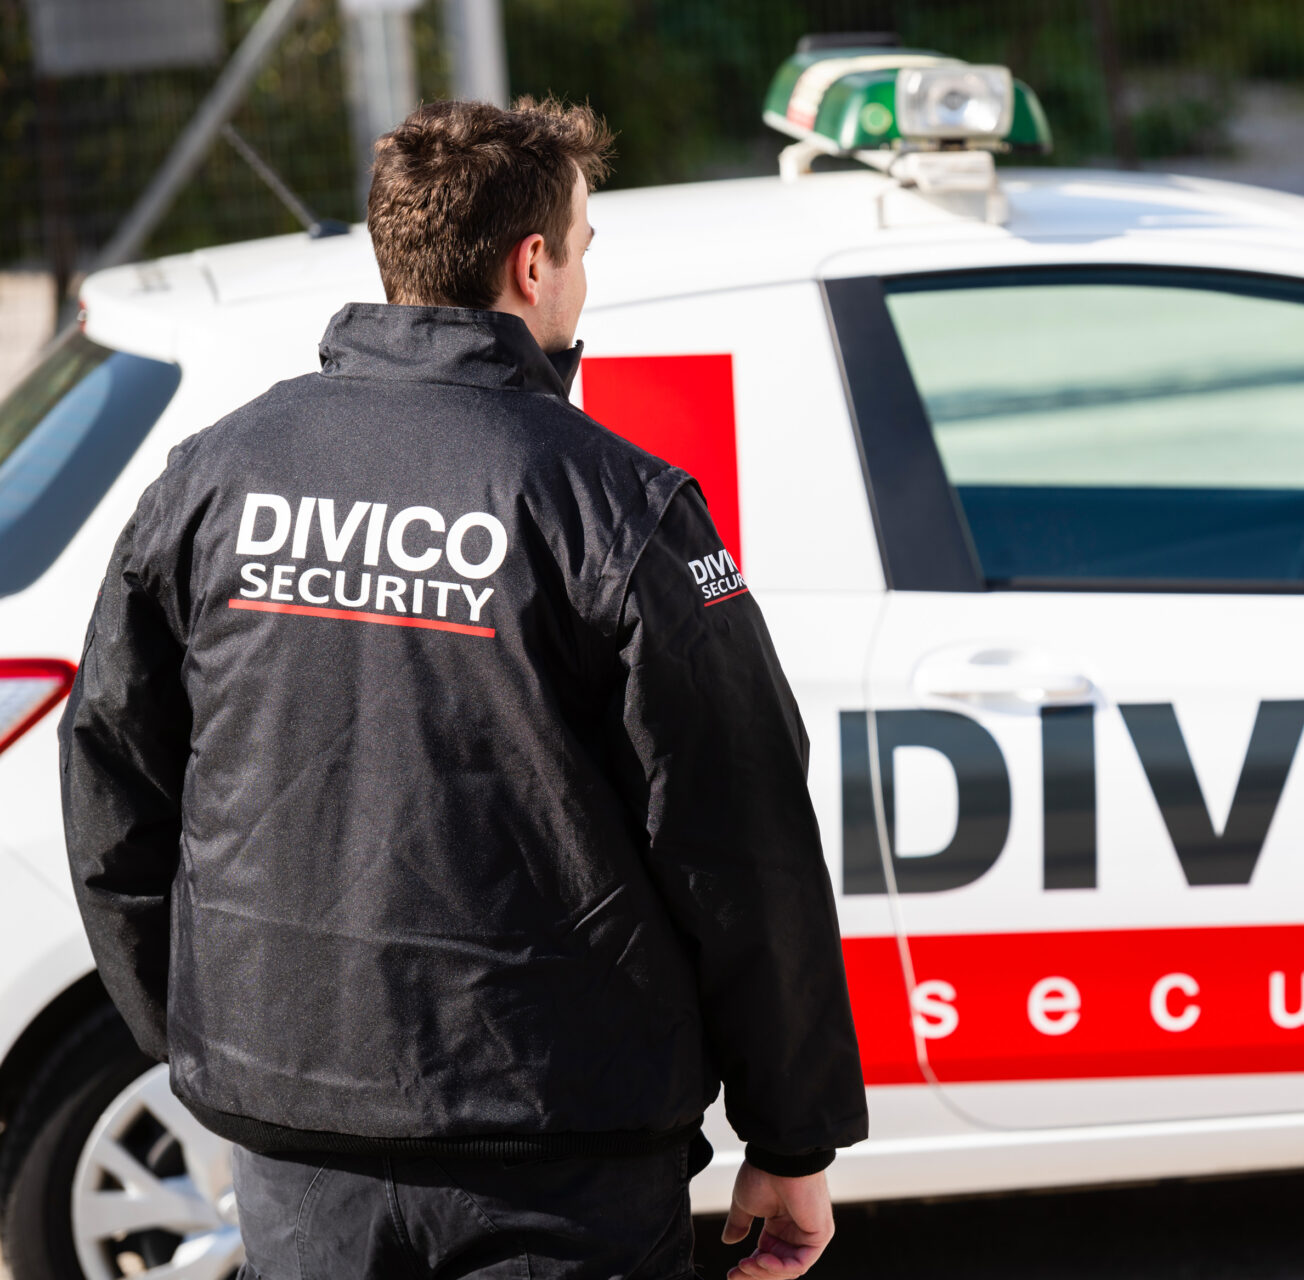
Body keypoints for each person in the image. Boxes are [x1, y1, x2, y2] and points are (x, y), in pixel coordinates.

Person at [58, 97, 866, 1280]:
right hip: (557, 1152)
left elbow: (111, 783)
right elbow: (744, 842)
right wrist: (792, 1137)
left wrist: (211, 1031)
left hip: (295, 1145)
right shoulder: (616, 506)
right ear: (532, 264)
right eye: (583, 247)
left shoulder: (214, 479)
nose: (582, 277)